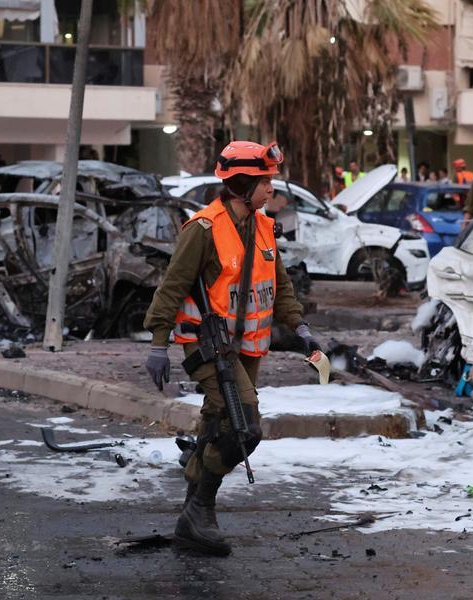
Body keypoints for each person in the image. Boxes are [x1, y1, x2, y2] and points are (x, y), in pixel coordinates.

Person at [143, 140, 321, 556]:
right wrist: (158, 344)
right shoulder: (203, 229)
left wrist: (300, 326)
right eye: (265, 181)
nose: (271, 189)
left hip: (246, 349)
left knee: (216, 423)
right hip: (206, 345)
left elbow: (280, 285)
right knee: (246, 428)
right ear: (242, 185)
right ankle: (200, 509)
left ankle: (191, 520)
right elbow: (171, 288)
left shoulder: (263, 226)